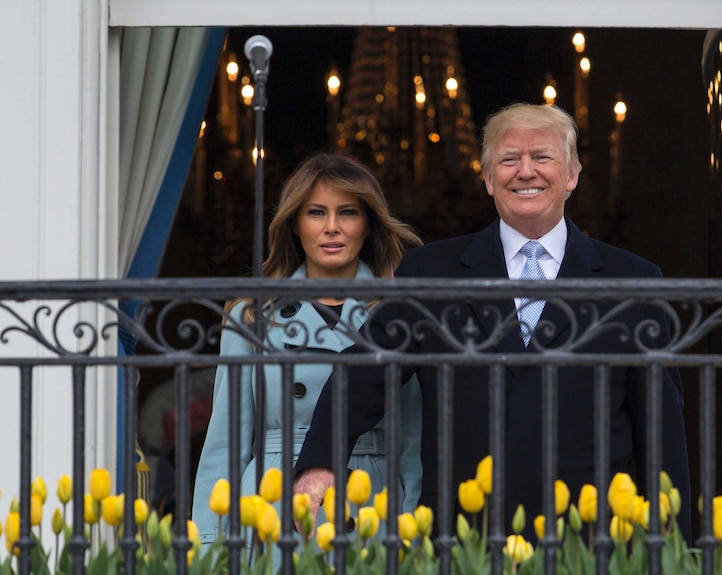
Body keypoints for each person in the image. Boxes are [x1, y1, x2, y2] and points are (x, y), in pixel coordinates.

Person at [293, 103, 692, 540]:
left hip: (588, 543)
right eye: (508, 160)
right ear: (487, 179)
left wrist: (673, 549)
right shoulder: (432, 272)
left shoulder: (632, 281)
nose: (525, 172)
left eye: (542, 157)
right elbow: (365, 372)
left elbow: (660, 432)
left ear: (572, 175)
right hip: (464, 540)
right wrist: (320, 463)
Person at [192, 153, 424, 547]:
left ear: (368, 225)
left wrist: (415, 538)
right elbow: (225, 443)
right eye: (316, 213)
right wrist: (210, 546)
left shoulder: (401, 314)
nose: (332, 228)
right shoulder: (252, 316)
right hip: (272, 504)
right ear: (294, 226)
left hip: (372, 503)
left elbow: (414, 442)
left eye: (347, 212)